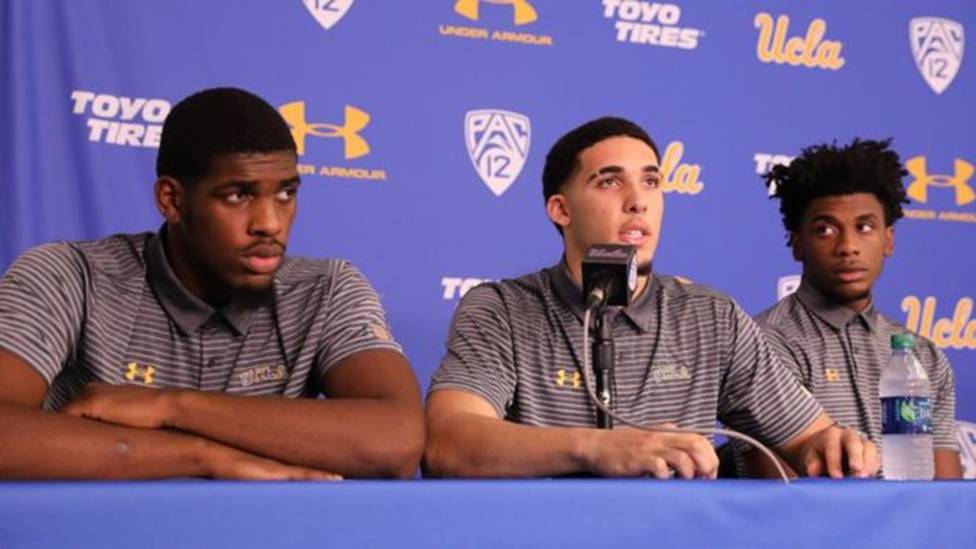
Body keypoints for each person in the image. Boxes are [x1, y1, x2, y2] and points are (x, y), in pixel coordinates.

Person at [0, 87, 424, 480]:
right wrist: (203, 456)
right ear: (172, 200)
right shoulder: (69, 275)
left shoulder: (325, 290)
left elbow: (397, 440)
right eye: (238, 196)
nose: (270, 224)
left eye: (285, 193)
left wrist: (168, 406)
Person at [424, 116, 879, 479]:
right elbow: (449, 443)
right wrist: (600, 449)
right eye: (609, 182)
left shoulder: (711, 317)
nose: (637, 201)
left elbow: (808, 439)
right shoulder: (501, 309)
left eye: (651, 181)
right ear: (560, 209)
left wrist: (834, 446)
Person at [747, 138, 961, 478]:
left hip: (914, 532)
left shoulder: (923, 355)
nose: (848, 247)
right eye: (826, 230)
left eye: (864, 227)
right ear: (798, 244)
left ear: (888, 239)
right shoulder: (760, 345)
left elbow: (945, 494)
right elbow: (779, 498)